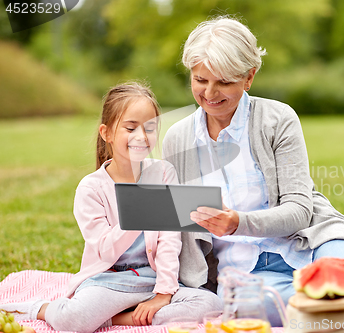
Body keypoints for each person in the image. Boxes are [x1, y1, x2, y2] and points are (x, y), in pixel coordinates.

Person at [163, 17, 344, 327]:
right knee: (256, 306)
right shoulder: (178, 139)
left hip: (311, 241)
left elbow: (300, 210)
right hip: (243, 268)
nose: (209, 93)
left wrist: (238, 223)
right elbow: (176, 221)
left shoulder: (277, 119)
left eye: (223, 82)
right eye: (200, 80)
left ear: (249, 77)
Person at [1, 82, 222, 333]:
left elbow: (170, 241)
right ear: (107, 133)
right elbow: (106, 252)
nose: (141, 136)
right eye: (130, 128)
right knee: (72, 320)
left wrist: (163, 293)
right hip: (109, 282)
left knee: (209, 304)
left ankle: (117, 319)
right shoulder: (91, 189)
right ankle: (42, 308)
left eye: (150, 128)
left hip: (151, 280)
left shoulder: (163, 173)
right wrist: (139, 211)